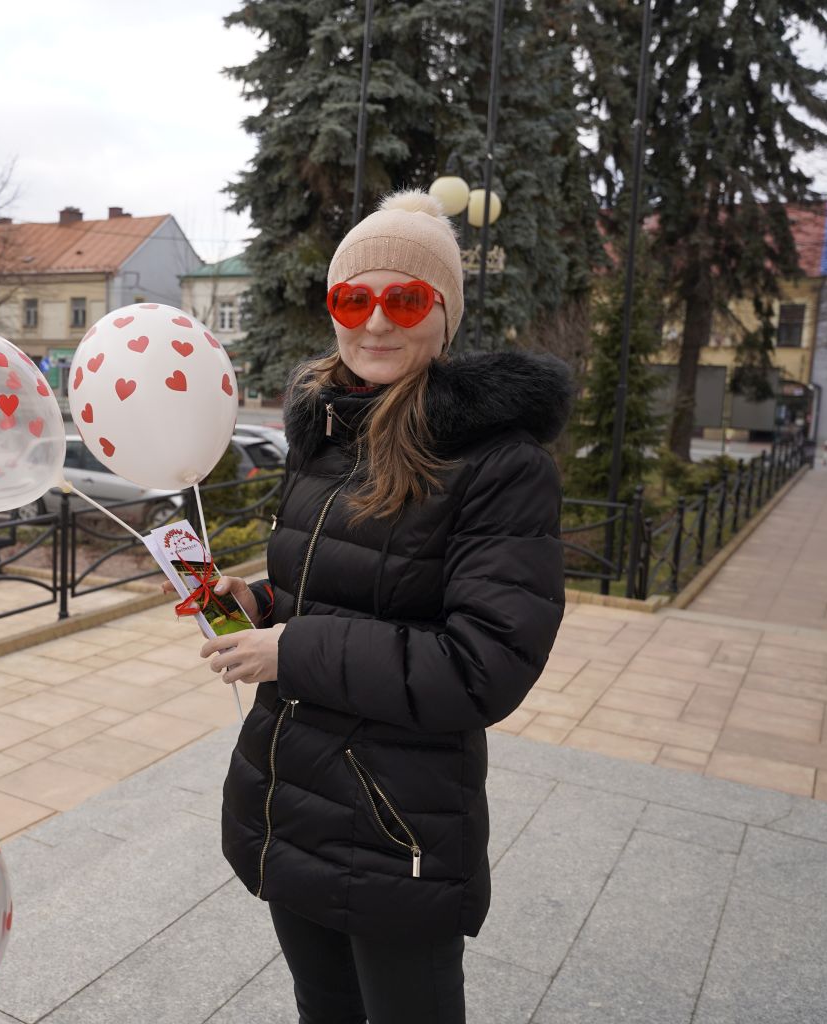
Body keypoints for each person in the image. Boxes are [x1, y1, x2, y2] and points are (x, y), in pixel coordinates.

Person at [197, 191, 570, 1023]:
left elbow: (483, 666)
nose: (374, 322)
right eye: (351, 298)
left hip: (397, 821)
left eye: (404, 299)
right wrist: (256, 603)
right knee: (322, 1009)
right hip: (291, 797)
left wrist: (292, 650)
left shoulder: (499, 463)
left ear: (444, 315)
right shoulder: (327, 433)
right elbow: (328, 592)